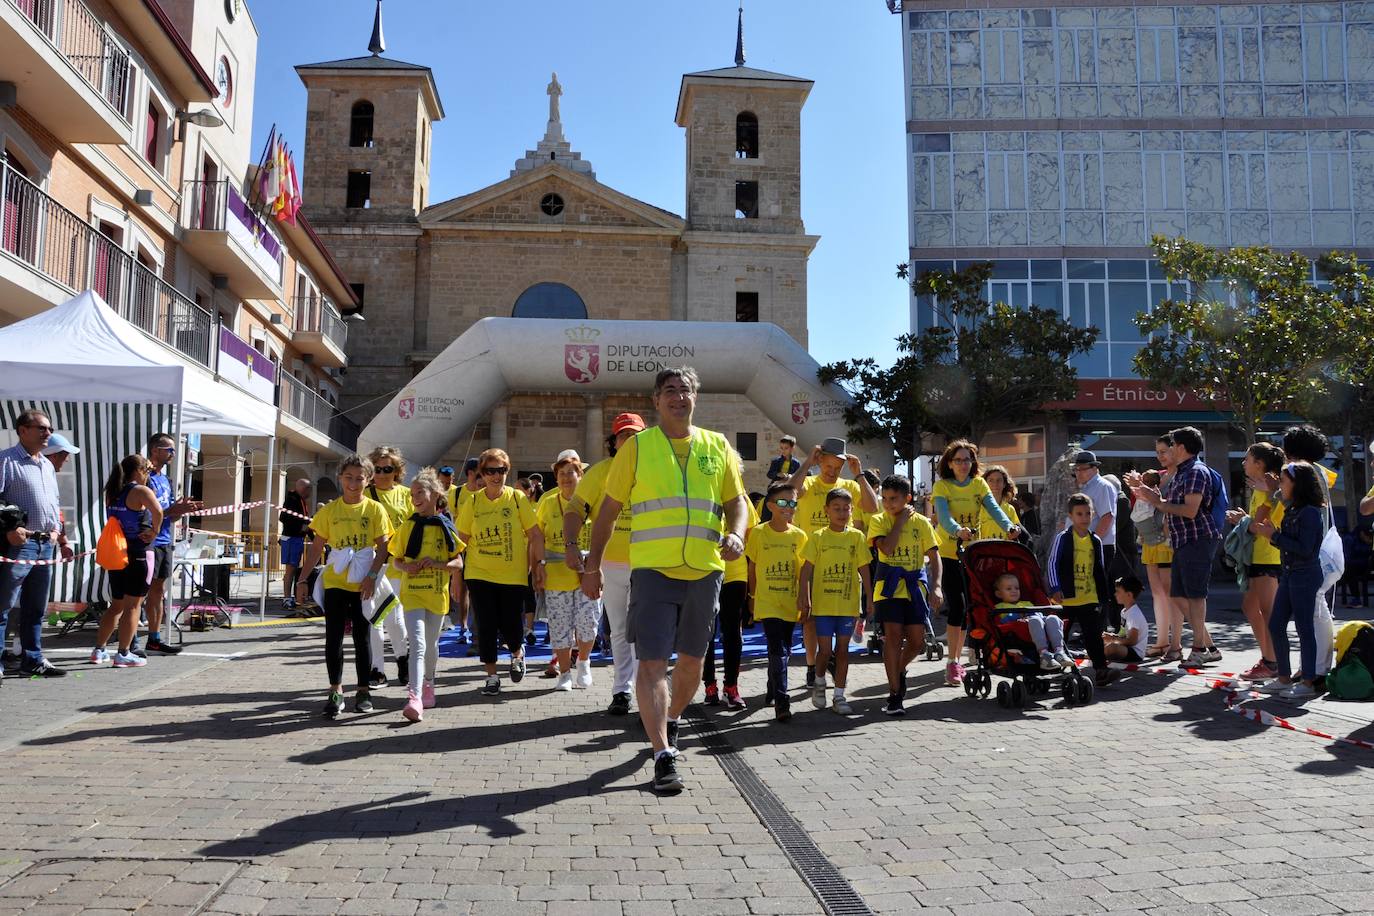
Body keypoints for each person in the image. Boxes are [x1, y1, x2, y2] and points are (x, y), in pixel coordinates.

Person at [580, 367, 749, 794]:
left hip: (705, 570)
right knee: (652, 663)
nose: (678, 396)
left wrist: (737, 533)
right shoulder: (636, 448)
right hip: (652, 571)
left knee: (691, 663)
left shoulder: (718, 446)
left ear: (696, 398)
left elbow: (737, 503)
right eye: (669, 390)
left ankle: (671, 720)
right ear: (656, 401)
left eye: (685, 389)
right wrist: (592, 566)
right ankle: (662, 754)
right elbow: (607, 511)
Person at [563, 413, 646, 717]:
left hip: (649, 565)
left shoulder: (655, 469)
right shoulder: (600, 472)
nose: (630, 441)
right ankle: (621, 691)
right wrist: (572, 547)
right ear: (613, 442)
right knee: (620, 631)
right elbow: (574, 510)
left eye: (636, 435)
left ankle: (645, 693)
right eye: (624, 435)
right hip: (610, 565)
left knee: (645, 631)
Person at [300, 454, 393, 719]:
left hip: (364, 583)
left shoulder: (375, 510)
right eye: (348, 477)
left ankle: (363, 690)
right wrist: (303, 579)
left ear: (368, 479)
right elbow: (317, 547)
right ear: (340, 478)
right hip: (336, 583)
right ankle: (335, 689)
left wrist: (372, 577)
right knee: (334, 638)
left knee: (363, 639)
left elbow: (384, 547)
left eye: (360, 478)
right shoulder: (329, 511)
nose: (353, 483)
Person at [785, 439, 879, 689]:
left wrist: (859, 474)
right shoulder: (808, 481)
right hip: (811, 557)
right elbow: (789, 491)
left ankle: (832, 664)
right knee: (810, 618)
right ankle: (810, 664)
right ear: (820, 460)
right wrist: (807, 462)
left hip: (841, 562)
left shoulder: (849, 485)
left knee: (837, 620)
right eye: (828, 465)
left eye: (838, 466)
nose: (832, 471)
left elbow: (872, 506)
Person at [1130, 426, 1222, 669]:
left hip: (1197, 539)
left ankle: (1200, 649)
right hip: (1183, 541)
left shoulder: (1195, 472)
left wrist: (1158, 502)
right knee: (1179, 596)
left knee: (1194, 595)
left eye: (1171, 445)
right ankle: (1208, 647)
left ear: (1180, 447)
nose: (1168, 450)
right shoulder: (1183, 472)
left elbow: (1191, 510)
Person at [931, 439, 1017, 687]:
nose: (963, 464)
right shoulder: (943, 486)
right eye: (958, 460)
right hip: (947, 553)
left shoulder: (979, 484)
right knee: (956, 606)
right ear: (949, 462)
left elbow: (994, 509)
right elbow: (944, 518)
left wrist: (1010, 527)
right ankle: (952, 662)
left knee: (972, 607)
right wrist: (958, 530)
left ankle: (967, 654)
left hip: (972, 553)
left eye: (967, 460)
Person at [458, 448, 543, 696]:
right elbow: (461, 539)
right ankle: (492, 676)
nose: (497, 476)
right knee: (486, 625)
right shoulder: (473, 501)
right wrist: (454, 575)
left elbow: (535, 534)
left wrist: (538, 566)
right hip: (479, 573)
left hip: (512, 575)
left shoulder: (517, 498)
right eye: (491, 471)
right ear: (482, 474)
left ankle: (517, 653)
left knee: (510, 625)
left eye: (502, 470)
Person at [0, 410, 73, 678]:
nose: (48, 434)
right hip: (20, 544)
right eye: (41, 428)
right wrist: (10, 528)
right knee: (3, 605)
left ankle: (33, 659)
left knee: (36, 607)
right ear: (23, 430)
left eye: (49, 429)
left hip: (45, 545)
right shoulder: (6, 461)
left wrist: (56, 532)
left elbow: (53, 503)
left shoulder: (45, 464)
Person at [392, 468, 465, 722]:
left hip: (436, 595)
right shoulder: (407, 526)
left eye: (419, 493)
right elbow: (396, 561)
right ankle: (413, 696)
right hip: (412, 594)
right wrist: (407, 566)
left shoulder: (446, 526)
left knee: (431, 646)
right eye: (412, 494)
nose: (415, 498)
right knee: (418, 645)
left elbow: (458, 563)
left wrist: (437, 564)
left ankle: (429, 684)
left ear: (435, 494)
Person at [869, 474, 943, 716]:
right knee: (892, 637)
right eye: (885, 498)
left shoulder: (921, 522)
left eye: (894, 499)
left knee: (917, 641)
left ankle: (898, 670)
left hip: (914, 586)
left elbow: (934, 555)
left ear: (907, 498)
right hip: (888, 587)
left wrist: (936, 586)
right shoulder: (879, 521)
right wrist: (900, 521)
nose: (888, 503)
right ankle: (894, 693)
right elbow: (887, 549)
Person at [1254, 462, 1328, 701]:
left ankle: (1308, 680)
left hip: (1304, 574)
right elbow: (1290, 542)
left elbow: (1305, 549)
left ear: (1297, 484)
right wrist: (1273, 534)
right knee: (1276, 624)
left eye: (1284, 481)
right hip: (1290, 572)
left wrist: (1273, 535)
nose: (1281, 486)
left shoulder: (1309, 512)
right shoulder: (1294, 509)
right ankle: (1284, 677)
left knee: (1304, 627)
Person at [799, 488, 872, 715]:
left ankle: (839, 696)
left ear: (852, 511)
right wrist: (805, 597)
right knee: (825, 651)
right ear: (826, 511)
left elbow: (865, 570)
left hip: (848, 605)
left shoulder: (857, 537)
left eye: (846, 508)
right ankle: (819, 682)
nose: (841, 513)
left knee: (843, 650)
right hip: (823, 606)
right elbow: (806, 570)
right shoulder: (818, 537)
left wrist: (870, 598)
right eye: (836, 508)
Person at [90, 454, 162, 669]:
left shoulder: (113, 492)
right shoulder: (140, 491)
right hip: (139, 551)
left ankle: (99, 650)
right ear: (138, 471)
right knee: (133, 606)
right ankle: (123, 653)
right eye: (147, 471)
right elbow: (158, 511)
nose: (148, 475)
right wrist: (154, 531)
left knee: (116, 605)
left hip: (118, 553)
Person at [744, 481, 808, 722]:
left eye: (793, 503)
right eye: (783, 502)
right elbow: (752, 568)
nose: (788, 507)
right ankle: (782, 700)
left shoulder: (800, 536)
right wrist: (751, 597)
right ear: (770, 505)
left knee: (786, 648)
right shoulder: (759, 533)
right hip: (767, 601)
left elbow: (804, 572)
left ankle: (773, 685)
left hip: (790, 601)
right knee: (776, 648)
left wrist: (805, 598)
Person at [538, 450, 600, 692]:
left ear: (580, 475)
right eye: (561, 474)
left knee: (588, 622)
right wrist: (538, 566)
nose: (566, 478)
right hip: (556, 574)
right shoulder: (548, 502)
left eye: (571, 473)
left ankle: (583, 662)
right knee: (560, 626)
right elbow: (538, 538)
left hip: (589, 572)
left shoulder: (593, 500)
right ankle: (564, 674)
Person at [1226, 443, 1286, 681]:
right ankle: (1268, 659)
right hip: (1258, 556)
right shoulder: (1262, 488)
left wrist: (1242, 520)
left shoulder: (1266, 489)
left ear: (1259, 464)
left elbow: (1257, 526)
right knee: (1251, 607)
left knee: (1268, 612)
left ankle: (1273, 663)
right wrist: (1245, 520)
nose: (1243, 463)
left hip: (1268, 557)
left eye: (1247, 458)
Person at [139, 433, 201, 657]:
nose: (173, 454)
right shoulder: (144, 478)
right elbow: (145, 515)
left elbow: (167, 517)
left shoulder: (166, 479)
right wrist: (172, 511)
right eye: (169, 450)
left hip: (165, 540)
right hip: (148, 542)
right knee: (139, 594)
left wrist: (180, 511)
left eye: (174, 450)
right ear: (155, 450)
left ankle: (154, 639)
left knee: (158, 593)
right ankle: (130, 641)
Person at [704, 452, 758, 710]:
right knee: (706, 634)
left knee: (732, 634)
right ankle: (709, 686)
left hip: (735, 574)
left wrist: (752, 589)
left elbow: (750, 538)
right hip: (704, 571)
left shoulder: (743, 500)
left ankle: (731, 687)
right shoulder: (704, 494)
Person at [1047, 493, 1114, 687]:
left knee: (1093, 636)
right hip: (1066, 599)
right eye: (1079, 514)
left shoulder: (1096, 541)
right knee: (1060, 636)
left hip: (1089, 597)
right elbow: (1052, 563)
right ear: (1071, 516)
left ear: (1092, 514)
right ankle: (1053, 668)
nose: (1084, 518)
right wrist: (1055, 588)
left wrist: (1103, 597)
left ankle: (1101, 670)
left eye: (1087, 513)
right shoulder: (1063, 538)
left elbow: (1099, 568)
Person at [365, 447, 413, 688]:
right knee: (375, 618)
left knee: (395, 618)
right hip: (372, 566)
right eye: (378, 469)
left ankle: (403, 660)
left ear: (397, 471)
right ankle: (377, 670)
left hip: (399, 565)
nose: (383, 474)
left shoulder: (407, 495)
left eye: (388, 469)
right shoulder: (364, 494)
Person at [1071, 452, 1121, 626]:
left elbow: (1107, 517)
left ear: (1094, 468)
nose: (1078, 473)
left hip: (1099, 545)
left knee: (1097, 588)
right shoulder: (1085, 487)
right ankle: (1091, 629)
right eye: (1076, 469)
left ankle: (1098, 629)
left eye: (1082, 469)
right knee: (1087, 588)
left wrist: (1093, 542)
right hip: (1086, 545)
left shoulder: (1102, 486)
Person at [992, 572, 1071, 671]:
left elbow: (1039, 614)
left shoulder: (1027, 603)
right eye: (1009, 589)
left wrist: (1034, 615)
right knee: (1035, 620)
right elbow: (1002, 622)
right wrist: (1018, 615)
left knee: (1052, 618)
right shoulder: (1000, 607)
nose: (1014, 591)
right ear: (999, 594)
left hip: (1037, 625)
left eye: (1017, 588)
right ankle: (1044, 654)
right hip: (1018, 630)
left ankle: (1059, 651)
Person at [281, 479, 312, 614]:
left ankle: (291, 596)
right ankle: (287, 598)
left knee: (294, 569)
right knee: (290, 570)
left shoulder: (300, 501)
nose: (310, 493)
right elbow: (284, 518)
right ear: (303, 489)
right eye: (309, 489)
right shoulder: (292, 500)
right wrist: (301, 527)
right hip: (291, 538)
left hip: (297, 538)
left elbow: (305, 522)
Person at [1103, 576, 1150, 664]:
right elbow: (1122, 634)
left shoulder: (1134, 614)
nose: (1115, 594)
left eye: (1118, 592)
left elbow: (1132, 641)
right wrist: (1111, 636)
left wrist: (1112, 639)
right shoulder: (1124, 611)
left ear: (1129, 595)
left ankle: (1095, 655)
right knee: (1102, 640)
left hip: (1135, 652)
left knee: (1112, 647)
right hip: (1127, 648)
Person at [978, 465, 1022, 541]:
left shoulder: (1010, 509)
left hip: (1004, 551)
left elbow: (1015, 532)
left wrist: (1016, 531)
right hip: (983, 551)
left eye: (999, 480)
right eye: (991, 480)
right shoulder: (978, 508)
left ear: (1004, 484)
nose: (995, 484)